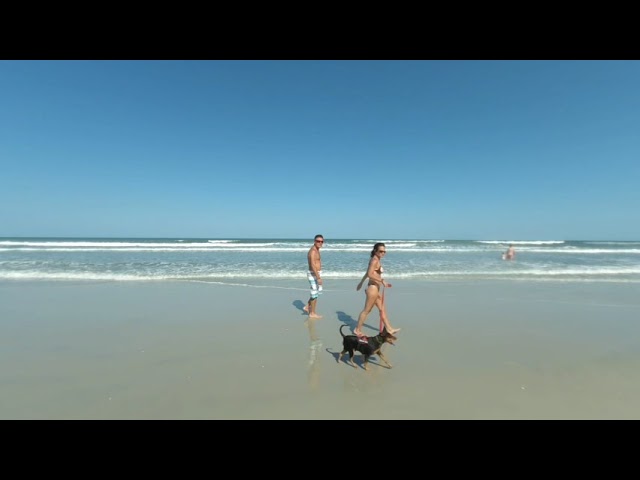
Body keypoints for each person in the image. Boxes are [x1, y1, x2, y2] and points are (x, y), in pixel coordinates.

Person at [354, 242, 400, 337]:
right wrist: (382, 280)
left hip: (376, 288)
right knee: (367, 310)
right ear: (375, 251)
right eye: (380, 251)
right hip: (372, 289)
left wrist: (361, 283)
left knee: (382, 309)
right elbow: (370, 274)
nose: (382, 253)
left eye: (384, 251)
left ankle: (389, 328)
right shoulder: (374, 260)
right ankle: (357, 330)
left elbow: (368, 273)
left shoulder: (377, 260)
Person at [303, 234, 324, 319]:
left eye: (321, 241)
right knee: (314, 294)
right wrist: (318, 277)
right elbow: (312, 265)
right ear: (314, 241)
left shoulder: (317, 250)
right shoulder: (313, 251)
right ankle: (312, 313)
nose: (320, 243)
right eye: (318, 241)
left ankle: (307, 306)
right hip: (313, 274)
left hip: (316, 273)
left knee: (316, 293)